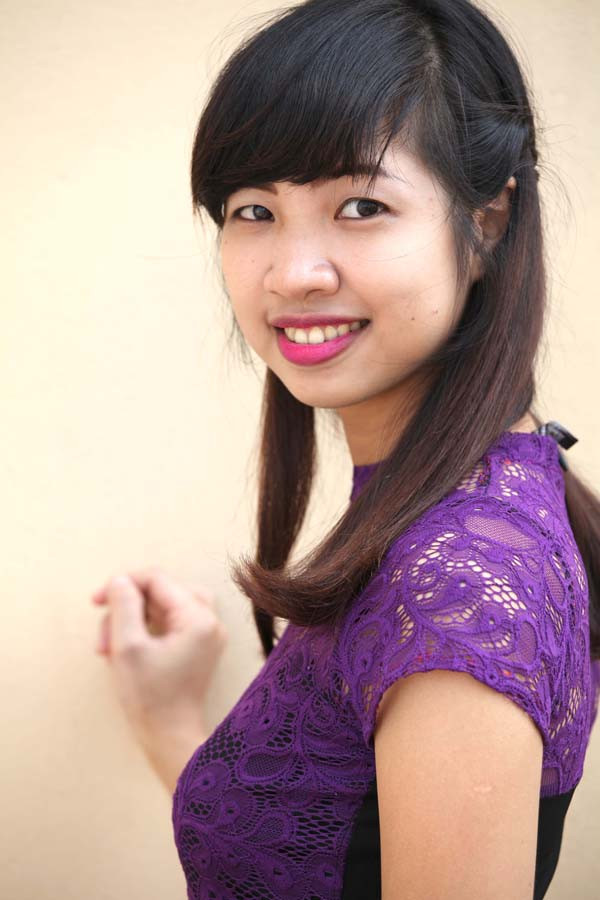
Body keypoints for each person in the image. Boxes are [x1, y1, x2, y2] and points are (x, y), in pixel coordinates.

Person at [91, 0, 600, 897]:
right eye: (254, 210)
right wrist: (172, 726)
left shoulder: (457, 585)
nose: (293, 273)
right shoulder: (466, 495)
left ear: (485, 222)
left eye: (361, 206)